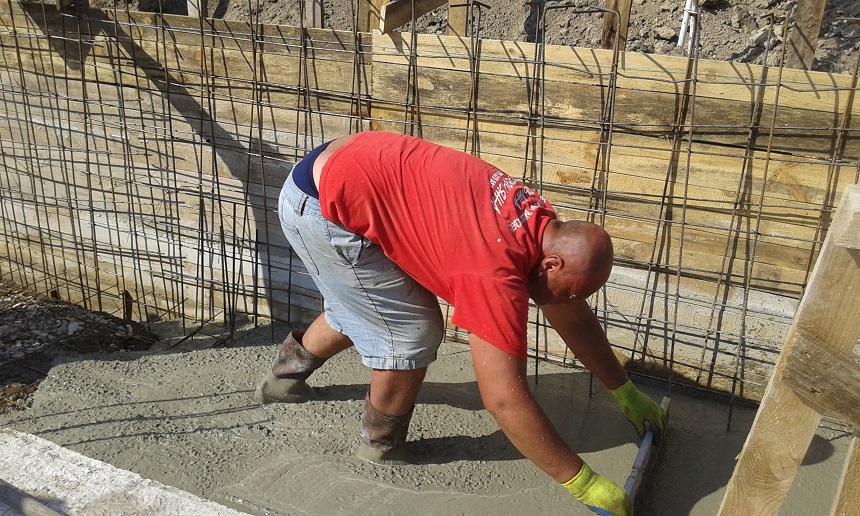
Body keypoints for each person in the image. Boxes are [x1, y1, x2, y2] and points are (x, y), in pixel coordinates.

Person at [254, 131, 666, 516]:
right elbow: (503, 399)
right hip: (321, 206)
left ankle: (284, 380)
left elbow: (568, 312)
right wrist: (583, 482)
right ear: (553, 264)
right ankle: (380, 446)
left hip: (348, 166)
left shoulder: (540, 225)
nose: (566, 302)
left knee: (368, 304)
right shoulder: (494, 270)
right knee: (410, 331)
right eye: (570, 291)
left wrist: (622, 388)